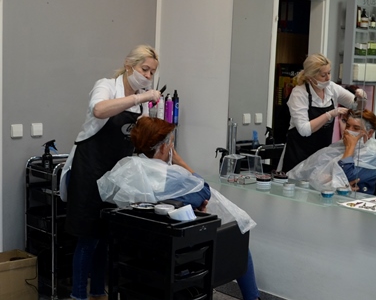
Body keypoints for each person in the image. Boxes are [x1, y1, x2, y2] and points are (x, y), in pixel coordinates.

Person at [97, 117, 260, 300]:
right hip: (174, 249)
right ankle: (253, 298)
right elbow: (204, 190)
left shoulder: (126, 169)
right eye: (171, 143)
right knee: (239, 235)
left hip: (138, 251)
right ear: (163, 147)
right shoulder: (173, 175)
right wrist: (180, 162)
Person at [62, 44, 161, 300]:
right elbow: (99, 109)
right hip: (88, 170)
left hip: (114, 175)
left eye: (152, 72)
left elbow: (140, 141)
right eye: (144, 69)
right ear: (129, 65)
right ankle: (78, 296)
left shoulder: (141, 104)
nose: (148, 76)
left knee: (105, 237)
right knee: (88, 238)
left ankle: (98, 293)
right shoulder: (106, 86)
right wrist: (139, 98)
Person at [280, 53, 365, 172]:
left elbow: (356, 106)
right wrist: (329, 114)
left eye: (329, 73)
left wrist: (361, 99)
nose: (328, 78)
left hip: (321, 154)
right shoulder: (299, 93)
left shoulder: (332, 88)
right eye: (323, 75)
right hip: (298, 155)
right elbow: (304, 130)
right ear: (310, 77)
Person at [288, 109, 376, 194]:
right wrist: (329, 181)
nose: (349, 131)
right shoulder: (338, 147)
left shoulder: (370, 154)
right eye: (347, 126)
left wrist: (350, 147)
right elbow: (312, 172)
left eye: (356, 128)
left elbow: (345, 176)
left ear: (369, 133)